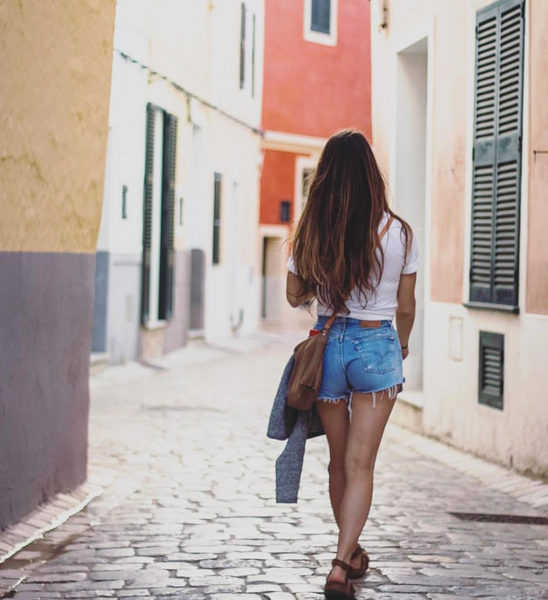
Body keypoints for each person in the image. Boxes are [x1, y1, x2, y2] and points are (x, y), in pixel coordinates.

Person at [285, 129, 418, 599]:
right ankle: (343, 563)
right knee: (362, 464)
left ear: (324, 177)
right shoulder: (398, 231)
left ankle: (350, 553)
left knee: (339, 463)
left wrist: (323, 274)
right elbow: (405, 307)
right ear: (369, 173)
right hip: (376, 342)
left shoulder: (312, 231)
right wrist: (399, 347)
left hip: (329, 347)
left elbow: (294, 294)